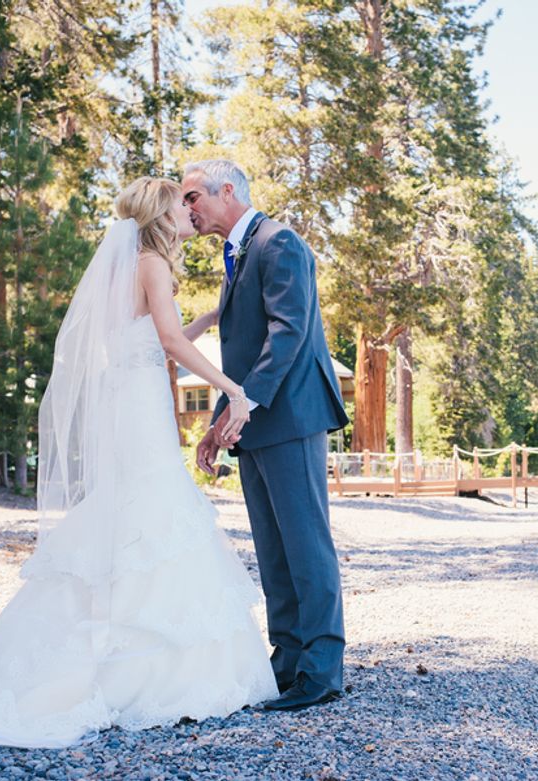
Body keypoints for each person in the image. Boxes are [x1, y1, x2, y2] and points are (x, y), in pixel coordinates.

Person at [0, 177, 278, 748]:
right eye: (181, 204)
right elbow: (168, 342)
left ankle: (114, 630)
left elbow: (153, 335)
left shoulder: (131, 266)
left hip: (129, 399)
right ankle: (140, 661)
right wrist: (232, 388)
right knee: (152, 503)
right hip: (139, 404)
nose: (189, 212)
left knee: (134, 504)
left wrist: (209, 320)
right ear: (160, 215)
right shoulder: (152, 264)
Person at [182, 159, 349, 712]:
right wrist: (220, 421)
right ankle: (288, 662)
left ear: (226, 191)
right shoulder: (237, 254)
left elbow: (287, 332)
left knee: (306, 545)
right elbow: (242, 351)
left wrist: (243, 404)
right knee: (273, 551)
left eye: (192, 197)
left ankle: (321, 671)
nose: (186, 209)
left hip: (291, 415)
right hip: (254, 419)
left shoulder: (279, 243)